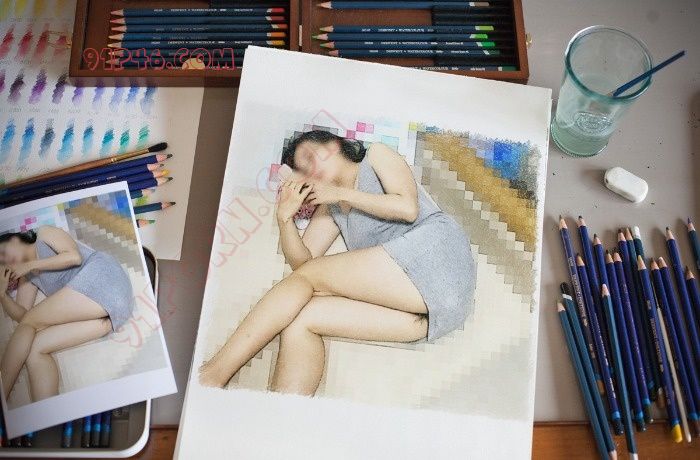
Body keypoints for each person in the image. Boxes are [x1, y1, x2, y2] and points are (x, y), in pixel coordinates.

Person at [199, 130, 475, 395]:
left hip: (437, 259)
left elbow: (407, 208)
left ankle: (214, 374)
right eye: (302, 171)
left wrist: (341, 194)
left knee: (310, 279)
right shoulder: (331, 208)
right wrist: (285, 219)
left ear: (335, 145)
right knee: (303, 319)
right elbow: (303, 265)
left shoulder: (376, 156)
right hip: (429, 314)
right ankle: (280, 415)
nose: (310, 172)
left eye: (310, 158)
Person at [0, 226, 133, 402]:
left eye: (2, 253)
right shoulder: (28, 277)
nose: (5, 261)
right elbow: (23, 317)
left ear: (15, 238)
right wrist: (2, 295)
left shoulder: (43, 234)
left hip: (104, 278)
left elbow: (74, 257)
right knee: (35, 349)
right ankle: (47, 414)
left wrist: (30, 265)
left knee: (30, 322)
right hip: (109, 313)